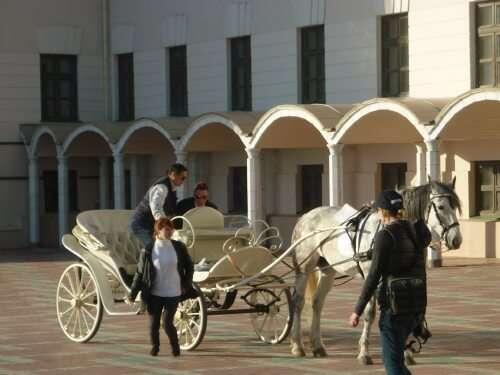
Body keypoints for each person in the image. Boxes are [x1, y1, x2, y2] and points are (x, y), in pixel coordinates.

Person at [348, 190, 430, 375]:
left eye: (378, 211)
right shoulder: (414, 231)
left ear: (383, 212)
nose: (376, 214)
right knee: (398, 363)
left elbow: (373, 275)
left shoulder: (385, 236)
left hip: (394, 309)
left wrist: (357, 310)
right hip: (415, 309)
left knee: (392, 365)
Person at [127, 217, 195, 357]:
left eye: (171, 229)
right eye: (166, 229)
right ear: (158, 231)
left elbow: (189, 266)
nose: (170, 232)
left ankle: (175, 348)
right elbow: (140, 273)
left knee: (167, 322)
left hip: (173, 291)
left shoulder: (179, 247)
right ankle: (155, 347)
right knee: (153, 324)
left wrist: (186, 284)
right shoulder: (148, 250)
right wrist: (132, 294)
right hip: (154, 293)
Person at [129, 163, 188, 249]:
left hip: (151, 224)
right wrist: (165, 225)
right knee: (155, 249)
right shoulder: (162, 187)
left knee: (162, 248)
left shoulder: (171, 188)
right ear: (173, 175)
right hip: (142, 224)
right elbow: (156, 208)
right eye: (183, 178)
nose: (184, 181)